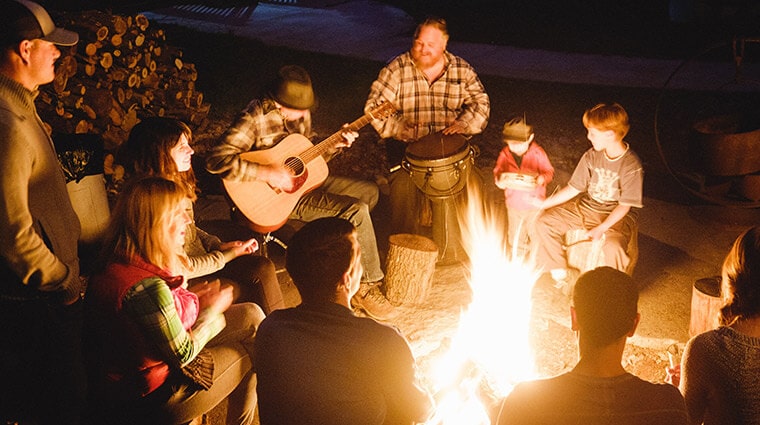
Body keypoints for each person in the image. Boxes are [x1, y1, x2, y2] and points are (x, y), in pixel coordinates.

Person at [206, 64, 394, 319]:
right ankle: (366, 285)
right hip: (275, 198)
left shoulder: (300, 114)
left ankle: (344, 257)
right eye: (298, 110)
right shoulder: (254, 117)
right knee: (356, 210)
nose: (304, 114)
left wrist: (336, 145)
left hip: (303, 185)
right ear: (279, 104)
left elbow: (306, 159)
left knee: (369, 193)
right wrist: (268, 173)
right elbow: (216, 160)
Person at [85, 176, 264, 425]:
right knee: (252, 352)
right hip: (155, 395)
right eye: (179, 213)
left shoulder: (124, 257)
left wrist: (197, 301)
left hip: (146, 368)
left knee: (252, 315)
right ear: (158, 222)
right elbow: (183, 354)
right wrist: (212, 313)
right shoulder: (145, 287)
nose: (188, 220)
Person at [253, 217, 435, 424]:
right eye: (359, 258)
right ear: (346, 279)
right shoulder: (383, 341)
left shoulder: (270, 329)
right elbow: (421, 412)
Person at [0, 1, 86, 423]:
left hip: (41, 296)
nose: (58, 53)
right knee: (58, 405)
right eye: (50, 46)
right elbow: (11, 233)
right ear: (25, 48)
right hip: (34, 303)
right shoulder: (6, 125)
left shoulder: (22, 107)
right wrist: (63, 280)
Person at [116, 116, 284, 314]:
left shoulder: (175, 183)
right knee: (249, 285)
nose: (191, 151)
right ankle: (273, 330)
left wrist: (217, 244)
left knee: (261, 266)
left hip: (203, 257)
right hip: (185, 277)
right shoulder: (152, 202)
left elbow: (190, 228)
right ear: (159, 153)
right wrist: (228, 255)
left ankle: (280, 328)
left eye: (189, 144)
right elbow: (183, 268)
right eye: (182, 147)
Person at [497, 266, 688, 424]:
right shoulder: (669, 405)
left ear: (574, 318)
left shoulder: (524, 404)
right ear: (634, 325)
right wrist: (667, 397)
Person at [364, 16, 490, 236]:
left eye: (430, 45)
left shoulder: (461, 70)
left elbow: (481, 103)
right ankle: (407, 254)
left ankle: (456, 252)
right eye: (419, 42)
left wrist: (464, 123)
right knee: (402, 190)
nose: (423, 49)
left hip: (451, 156)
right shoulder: (397, 69)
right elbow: (373, 108)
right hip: (409, 157)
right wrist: (396, 127)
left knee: (469, 187)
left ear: (444, 45)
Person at [531, 102, 642, 287]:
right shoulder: (591, 156)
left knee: (614, 248)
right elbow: (574, 188)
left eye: (592, 133)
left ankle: (613, 290)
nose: (588, 137)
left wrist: (602, 228)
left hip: (615, 218)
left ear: (609, 134)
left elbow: (625, 206)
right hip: (586, 209)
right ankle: (561, 274)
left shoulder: (631, 165)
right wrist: (543, 204)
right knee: (544, 223)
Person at [671, 226, 760, 424]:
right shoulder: (704, 352)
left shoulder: (706, 350)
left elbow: (687, 420)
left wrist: (677, 394)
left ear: (732, 275)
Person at [493, 116, 554, 256]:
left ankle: (538, 261)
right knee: (515, 236)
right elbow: (498, 171)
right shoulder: (505, 154)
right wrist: (500, 181)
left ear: (530, 138)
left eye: (519, 143)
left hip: (534, 204)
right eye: (511, 143)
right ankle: (518, 259)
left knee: (536, 234)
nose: (515, 147)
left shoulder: (538, 153)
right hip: (513, 204)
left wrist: (541, 178)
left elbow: (549, 171)